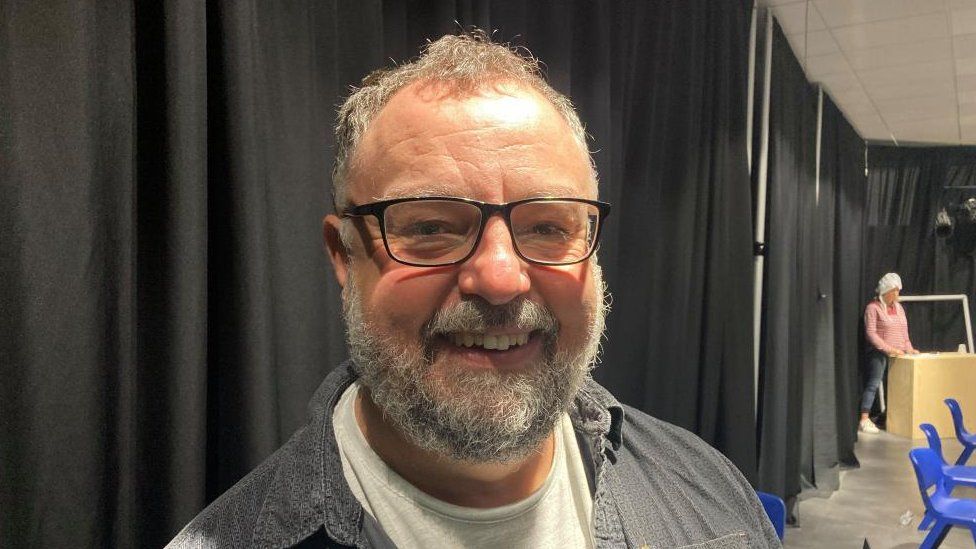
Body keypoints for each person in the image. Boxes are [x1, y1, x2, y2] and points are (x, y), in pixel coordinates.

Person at [168, 32, 779, 548]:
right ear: (344, 256)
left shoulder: (709, 493)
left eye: (547, 226)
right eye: (430, 227)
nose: (499, 278)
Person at [860, 272, 918, 434]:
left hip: (898, 354)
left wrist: (909, 348)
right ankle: (864, 419)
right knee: (873, 383)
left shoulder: (898, 308)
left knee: (895, 386)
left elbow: (903, 332)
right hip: (879, 353)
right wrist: (888, 348)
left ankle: (887, 417)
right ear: (887, 291)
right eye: (895, 290)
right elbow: (871, 333)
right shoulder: (873, 308)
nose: (898, 294)